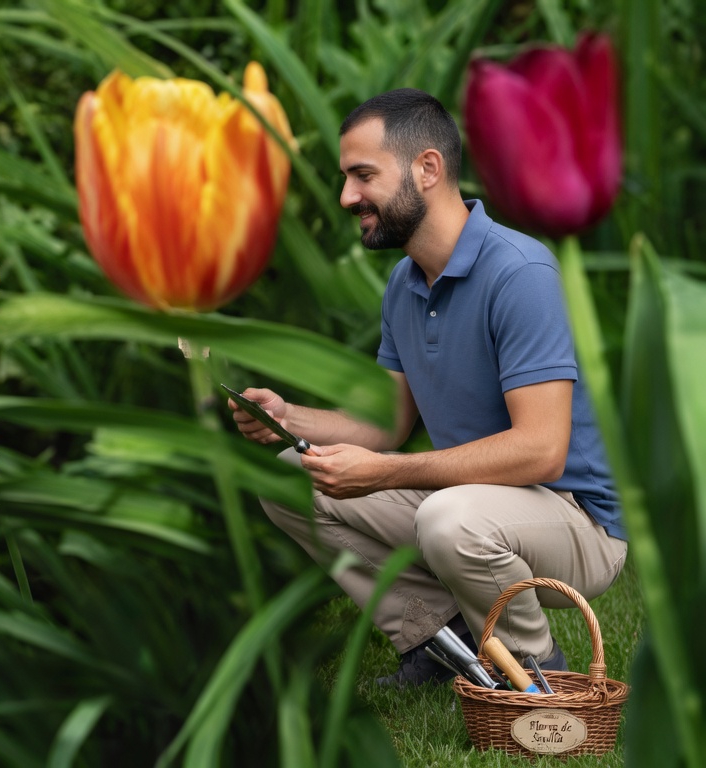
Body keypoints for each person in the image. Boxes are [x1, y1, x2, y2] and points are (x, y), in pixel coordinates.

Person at [230, 89, 626, 687]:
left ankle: (536, 675)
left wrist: (387, 473)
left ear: (428, 168)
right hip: (473, 501)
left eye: (363, 175)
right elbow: (387, 423)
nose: (347, 197)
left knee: (449, 517)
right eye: (345, 177)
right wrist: (290, 416)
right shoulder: (405, 282)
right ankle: (442, 645)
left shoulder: (520, 273)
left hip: (577, 522)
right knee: (289, 475)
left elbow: (542, 449)